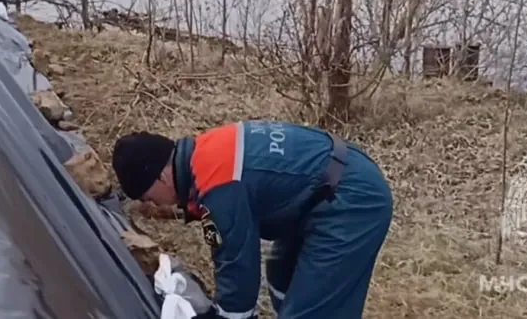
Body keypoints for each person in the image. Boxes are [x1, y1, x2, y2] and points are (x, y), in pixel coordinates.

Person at [112, 121, 393, 319]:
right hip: (326, 186)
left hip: (352, 199)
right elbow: (222, 239)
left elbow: (236, 262)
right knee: (282, 272)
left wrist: (229, 315)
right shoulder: (203, 157)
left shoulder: (217, 185)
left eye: (147, 196)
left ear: (161, 176)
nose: (151, 204)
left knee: (312, 310)